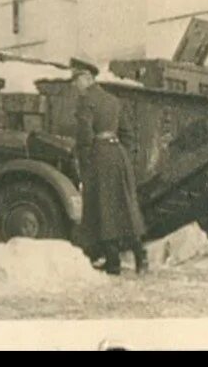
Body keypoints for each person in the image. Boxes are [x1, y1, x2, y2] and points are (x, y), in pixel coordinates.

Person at [71, 57, 148, 276]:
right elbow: (127, 133)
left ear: (87, 78)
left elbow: (84, 135)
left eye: (77, 79)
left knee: (102, 209)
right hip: (117, 155)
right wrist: (121, 155)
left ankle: (113, 262)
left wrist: (84, 162)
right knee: (124, 207)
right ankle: (140, 257)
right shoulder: (113, 100)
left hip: (99, 157)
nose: (75, 85)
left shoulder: (86, 101)